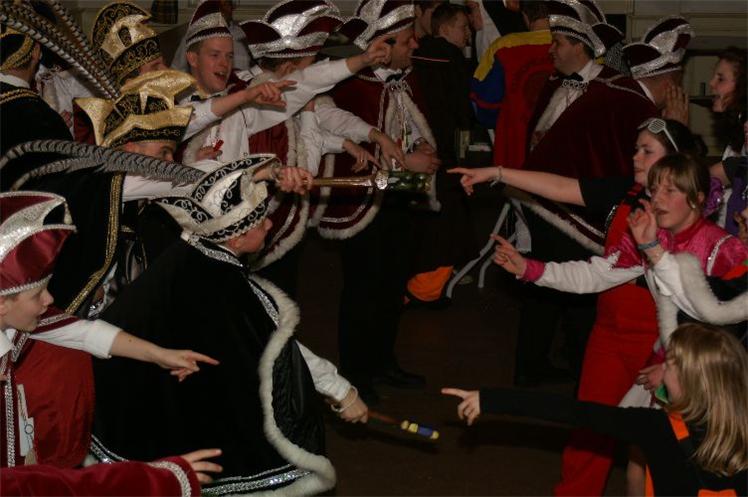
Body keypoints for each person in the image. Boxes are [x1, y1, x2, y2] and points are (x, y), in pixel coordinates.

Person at [450, 118, 702, 495]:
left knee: (655, 451)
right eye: (635, 149)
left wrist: (672, 358)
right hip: (609, 331)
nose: (635, 157)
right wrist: (498, 173)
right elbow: (565, 193)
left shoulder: (699, 232)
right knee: (588, 432)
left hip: (659, 345)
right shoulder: (630, 196)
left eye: (647, 151)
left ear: (676, 162)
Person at [92, 156, 367, 496]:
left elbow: (212, 171)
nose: (270, 224)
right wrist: (341, 391)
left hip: (142, 408)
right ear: (236, 240)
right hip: (181, 410)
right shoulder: (222, 287)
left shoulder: (190, 252)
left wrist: (270, 171)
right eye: (260, 221)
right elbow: (274, 348)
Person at [0, 190, 220, 472]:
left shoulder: (19, 323)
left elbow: (85, 334)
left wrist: (161, 355)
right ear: (3, 304)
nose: (50, 299)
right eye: (37, 295)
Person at [511, 0, 656, 408]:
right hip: (544, 202)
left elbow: (621, 148)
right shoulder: (554, 84)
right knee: (541, 288)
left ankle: (583, 376)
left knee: (581, 292)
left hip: (583, 210)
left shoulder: (613, 91)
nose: (551, 50)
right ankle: (531, 366)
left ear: (580, 46)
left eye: (558, 42)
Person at [442, 322, 748, 496]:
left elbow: (573, 411)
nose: (661, 370)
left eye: (668, 365)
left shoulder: (657, 428)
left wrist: (491, 399)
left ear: (690, 381)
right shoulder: (742, 428)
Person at [322, 0, 442, 403]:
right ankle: (357, 372)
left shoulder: (406, 80)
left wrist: (422, 149)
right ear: (384, 45)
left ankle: (383, 361)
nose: (415, 45)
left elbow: (413, 125)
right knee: (363, 289)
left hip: (399, 197)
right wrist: (407, 160)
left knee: (392, 285)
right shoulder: (353, 86)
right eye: (407, 40)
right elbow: (351, 148)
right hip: (364, 202)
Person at [179, 0, 393, 166]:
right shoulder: (174, 112)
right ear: (193, 59)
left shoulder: (242, 97)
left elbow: (308, 83)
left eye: (229, 56)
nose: (224, 64)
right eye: (215, 55)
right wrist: (190, 165)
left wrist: (363, 60)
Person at [408, 2, 476, 305]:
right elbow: (463, 111)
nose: (468, 33)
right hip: (445, 151)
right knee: (447, 222)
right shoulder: (454, 60)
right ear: (445, 28)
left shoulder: (416, 55)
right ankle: (425, 290)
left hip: (415, 148)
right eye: (463, 27)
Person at [470, 0, 552, 169]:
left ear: (525, 15)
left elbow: (483, 103)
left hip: (514, 154)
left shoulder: (504, 46)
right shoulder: (574, 46)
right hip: (563, 156)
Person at [623, 16, 694, 124]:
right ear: (670, 86)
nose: (681, 90)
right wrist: (676, 125)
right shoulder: (643, 113)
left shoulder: (625, 99)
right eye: (679, 83)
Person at [171, 0, 250, 73]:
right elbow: (176, 71)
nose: (222, 9)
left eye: (226, 4)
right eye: (218, 5)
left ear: (232, 7)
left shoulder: (244, 36)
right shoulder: (193, 37)